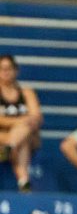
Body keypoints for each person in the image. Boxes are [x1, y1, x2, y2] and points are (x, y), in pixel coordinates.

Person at [0, 54, 42, 192]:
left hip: (27, 136)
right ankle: (24, 181)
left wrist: (17, 124)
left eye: (9, 68)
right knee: (23, 137)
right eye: (2, 69)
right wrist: (20, 121)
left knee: (26, 131)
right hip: (4, 137)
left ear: (16, 70)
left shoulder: (26, 92)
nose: (5, 72)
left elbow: (36, 117)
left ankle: (8, 148)